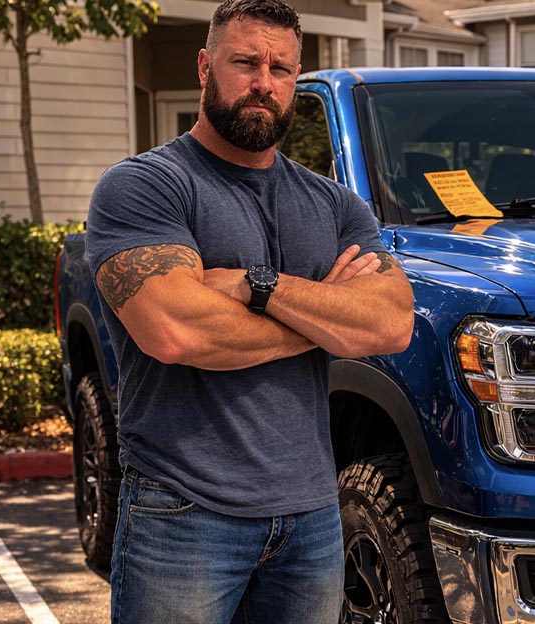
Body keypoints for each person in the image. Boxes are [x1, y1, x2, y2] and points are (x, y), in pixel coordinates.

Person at [84, 0, 414, 620]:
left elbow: (391, 325)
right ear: (206, 67)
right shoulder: (145, 186)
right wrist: (328, 321)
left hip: (313, 515)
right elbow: (176, 330)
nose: (264, 82)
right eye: (245, 62)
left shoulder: (335, 205)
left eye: (282, 68)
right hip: (183, 511)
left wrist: (257, 286)